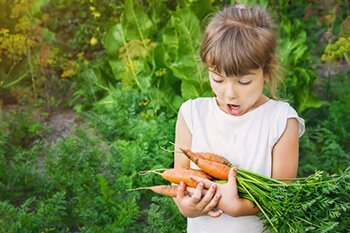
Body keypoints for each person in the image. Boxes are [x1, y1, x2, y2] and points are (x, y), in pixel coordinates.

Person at [172, 3, 305, 233]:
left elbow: (284, 192)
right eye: (218, 79)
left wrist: (239, 208)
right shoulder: (191, 115)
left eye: (244, 82)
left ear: (266, 71)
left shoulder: (281, 121)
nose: (229, 93)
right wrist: (187, 207)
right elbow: (179, 181)